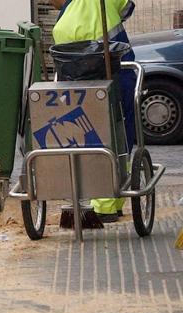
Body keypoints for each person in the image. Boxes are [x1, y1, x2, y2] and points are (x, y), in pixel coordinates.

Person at [50, 0, 136, 223]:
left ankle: (101, 202)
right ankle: (111, 204)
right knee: (120, 134)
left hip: (79, 91)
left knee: (91, 136)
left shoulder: (62, 25)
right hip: (117, 77)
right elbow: (129, 8)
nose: (51, 5)